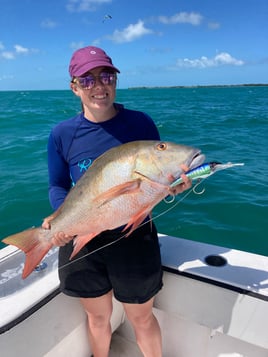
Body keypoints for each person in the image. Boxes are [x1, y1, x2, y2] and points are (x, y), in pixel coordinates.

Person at [42, 46, 191, 357]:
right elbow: (57, 185)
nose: (99, 86)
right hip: (83, 234)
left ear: (115, 81)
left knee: (141, 317)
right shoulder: (62, 133)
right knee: (97, 317)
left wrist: (171, 186)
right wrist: (60, 218)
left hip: (134, 237)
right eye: (87, 80)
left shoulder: (140, 124)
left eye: (106, 76)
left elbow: (156, 178)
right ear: (74, 87)